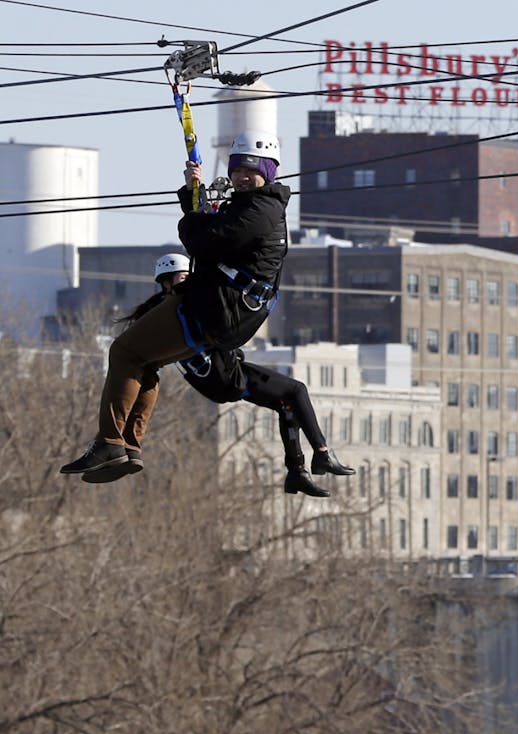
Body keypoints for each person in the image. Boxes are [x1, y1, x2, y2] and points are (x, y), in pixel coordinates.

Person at [60, 130, 291, 481]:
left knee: (124, 352)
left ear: (269, 172)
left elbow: (203, 241)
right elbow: (211, 233)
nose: (243, 176)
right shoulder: (252, 208)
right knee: (144, 362)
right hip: (220, 311)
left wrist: (191, 218)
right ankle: (128, 447)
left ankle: (110, 442)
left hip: (213, 309)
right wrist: (192, 194)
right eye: (238, 169)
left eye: (252, 170)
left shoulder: (259, 210)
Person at [104, 255, 353, 496]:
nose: (187, 281)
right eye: (182, 277)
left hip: (220, 376)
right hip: (224, 376)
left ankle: (297, 471)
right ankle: (321, 454)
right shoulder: (176, 309)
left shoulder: (166, 311)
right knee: (297, 390)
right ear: (166, 283)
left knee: (287, 404)